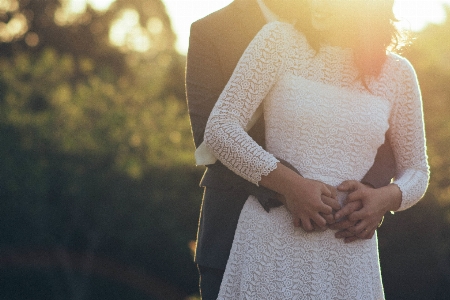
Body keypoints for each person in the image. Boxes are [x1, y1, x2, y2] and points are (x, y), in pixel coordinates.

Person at [203, 0, 429, 298]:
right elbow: (220, 128)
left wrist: (384, 198)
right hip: (272, 243)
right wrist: (291, 186)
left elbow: (417, 170)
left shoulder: (398, 74)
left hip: (349, 255)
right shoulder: (277, 41)